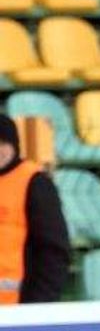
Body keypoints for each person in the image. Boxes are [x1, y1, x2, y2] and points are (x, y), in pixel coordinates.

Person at [0, 114, 70, 304]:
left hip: (20, 307)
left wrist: (39, 303)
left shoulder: (34, 182)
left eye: (2, 143)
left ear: (14, 144)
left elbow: (53, 249)